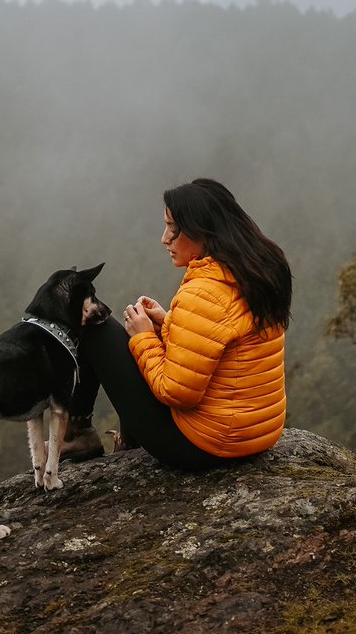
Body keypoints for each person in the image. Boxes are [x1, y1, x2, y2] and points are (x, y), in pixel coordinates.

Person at [61, 178, 291, 470]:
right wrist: (169, 323)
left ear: (202, 230)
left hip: (204, 446)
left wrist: (144, 337)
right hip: (253, 435)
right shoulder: (251, 272)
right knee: (135, 342)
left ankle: (77, 434)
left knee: (91, 322)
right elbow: (220, 343)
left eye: (173, 228)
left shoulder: (204, 293)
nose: (165, 238)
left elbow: (176, 392)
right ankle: (125, 442)